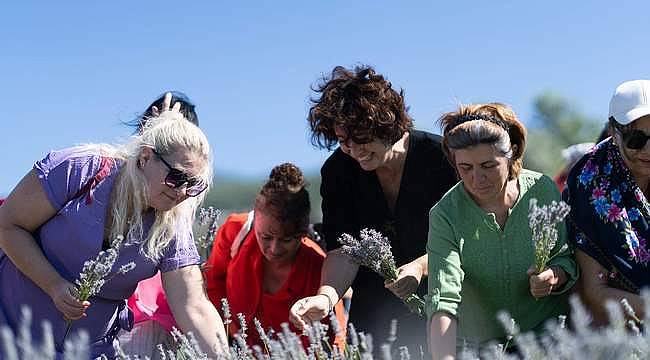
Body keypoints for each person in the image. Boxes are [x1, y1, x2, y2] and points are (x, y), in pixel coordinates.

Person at [0, 97, 226, 358]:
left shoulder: (174, 221)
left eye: (194, 184)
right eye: (176, 177)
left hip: (88, 349)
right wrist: (53, 285)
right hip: (9, 328)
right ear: (145, 158)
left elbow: (192, 305)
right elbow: (8, 224)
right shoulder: (79, 169)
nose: (184, 192)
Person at [289, 65, 458, 351]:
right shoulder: (338, 171)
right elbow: (344, 250)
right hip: (373, 314)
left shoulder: (441, 158)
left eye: (362, 137)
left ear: (386, 123)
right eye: (344, 141)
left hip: (444, 304)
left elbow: (465, 239)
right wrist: (326, 297)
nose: (355, 151)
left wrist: (420, 266)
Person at [426, 103, 578, 358]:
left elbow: (566, 257)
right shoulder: (445, 214)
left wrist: (553, 275)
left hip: (547, 336)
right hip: (480, 346)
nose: (477, 178)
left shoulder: (542, 190)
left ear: (513, 153)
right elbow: (444, 298)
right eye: (465, 168)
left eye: (488, 165)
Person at [203, 163, 346, 348]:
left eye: (286, 239)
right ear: (255, 222)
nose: (274, 249)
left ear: (303, 233)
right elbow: (213, 285)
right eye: (266, 237)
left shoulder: (321, 271)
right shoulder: (235, 232)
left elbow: (336, 343)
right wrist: (232, 337)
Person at [565, 79, 650, 326]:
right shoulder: (589, 183)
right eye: (636, 140)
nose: (648, 150)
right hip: (615, 333)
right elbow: (596, 293)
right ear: (614, 132)